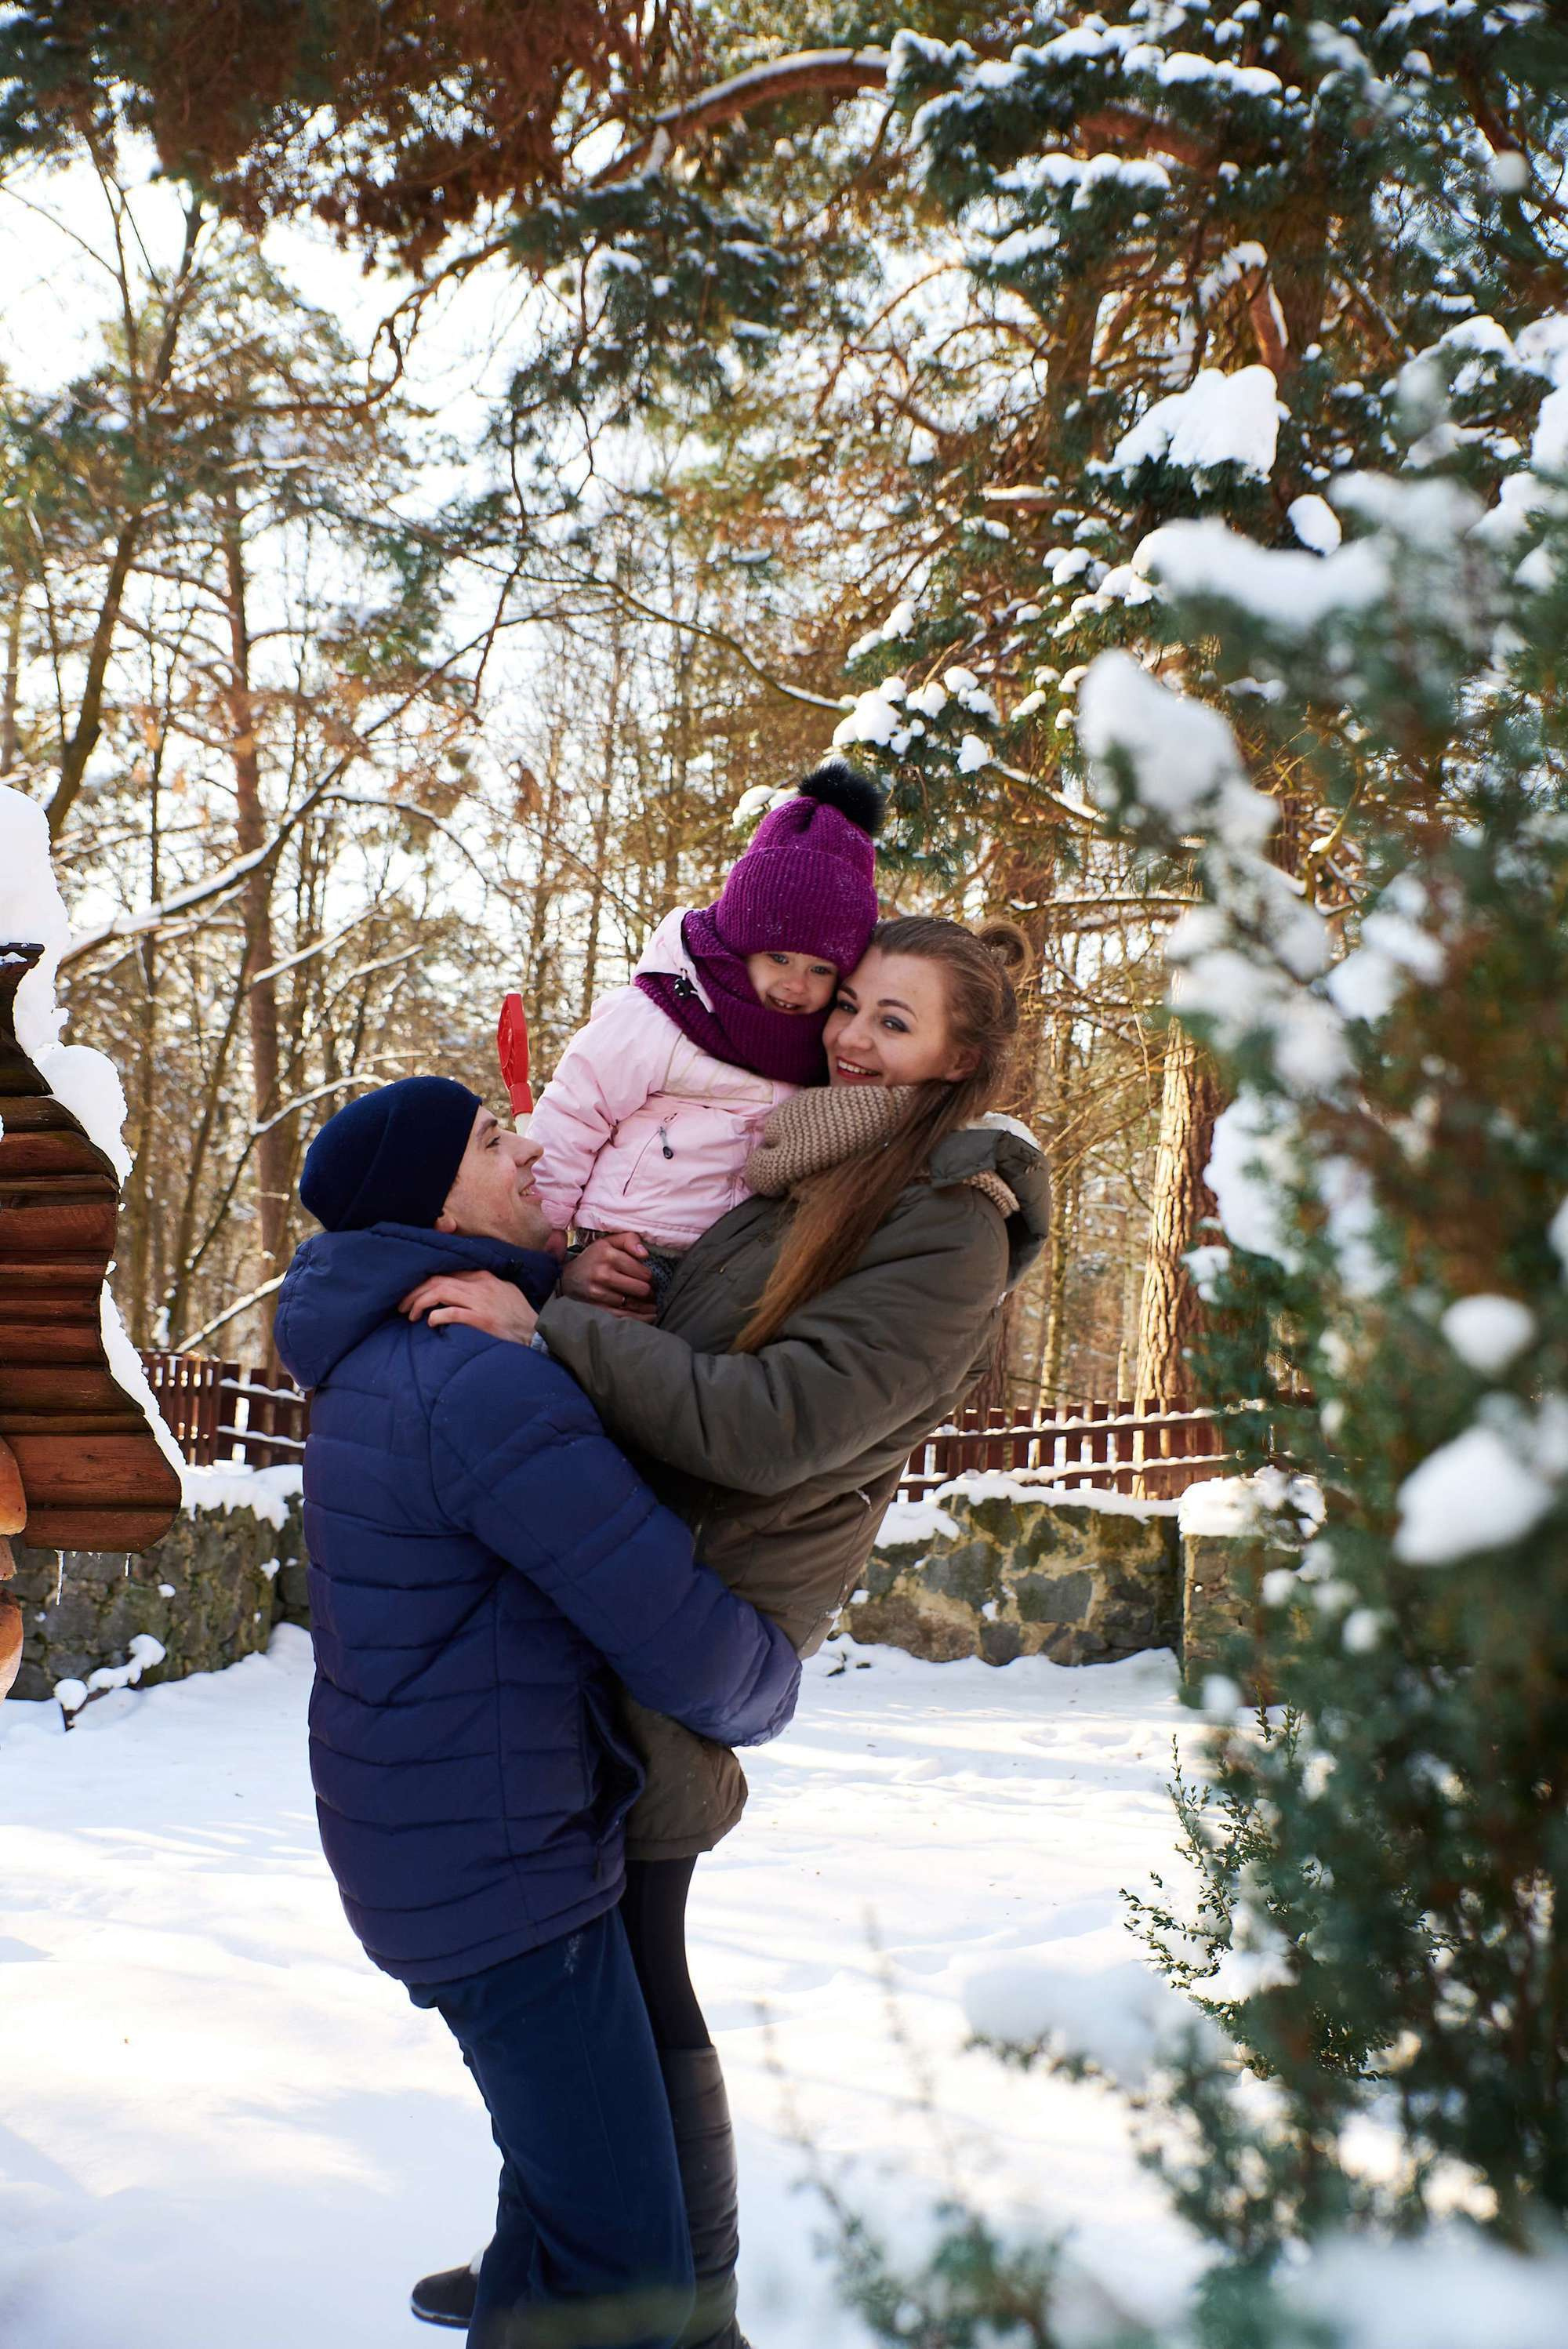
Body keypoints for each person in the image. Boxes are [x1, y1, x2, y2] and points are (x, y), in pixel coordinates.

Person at [403, 917, 1051, 2348]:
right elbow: (690, 1345)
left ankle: (688, 2313)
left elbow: (775, 1428)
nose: (852, 1034)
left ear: (961, 1059)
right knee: (590, 1954)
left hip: (706, 1595)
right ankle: (563, 2251)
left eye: (896, 1021)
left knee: (635, 1945)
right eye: (854, 1006)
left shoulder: (945, 1222)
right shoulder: (805, 1158)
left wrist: (547, 1334)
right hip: (639, 1560)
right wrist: (588, 1290)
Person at [272, 1075, 800, 2349]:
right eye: (493, 1143)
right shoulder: (475, 1380)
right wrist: (771, 1682)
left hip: (447, 1844)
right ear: (432, 1201)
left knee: (573, 2206)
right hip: (503, 1879)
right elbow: (682, 1637)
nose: (530, 1154)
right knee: (628, 2281)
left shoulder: (387, 1350)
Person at [526, 763, 882, 1303]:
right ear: (740, 944)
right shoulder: (662, 1012)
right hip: (629, 1243)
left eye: (820, 969)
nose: (794, 984)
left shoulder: (825, 1045)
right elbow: (574, 1110)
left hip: (733, 1268)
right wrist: (542, 1225)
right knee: (598, 1356)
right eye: (779, 957)